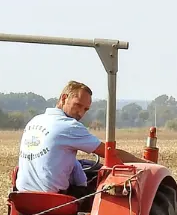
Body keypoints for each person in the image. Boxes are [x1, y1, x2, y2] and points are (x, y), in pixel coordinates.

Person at [15, 80, 147, 195]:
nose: (81, 113)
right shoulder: (69, 126)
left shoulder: (35, 121)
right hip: (53, 199)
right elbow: (110, 153)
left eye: (86, 109)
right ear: (64, 98)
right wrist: (143, 163)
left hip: (22, 196)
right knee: (99, 191)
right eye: (78, 105)